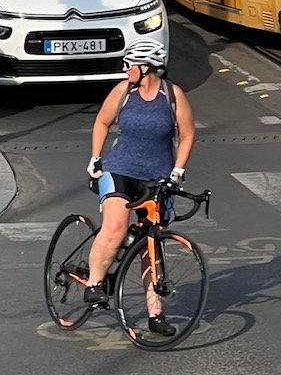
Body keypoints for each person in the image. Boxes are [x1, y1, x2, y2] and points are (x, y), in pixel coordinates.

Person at [83, 38, 195, 337]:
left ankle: (155, 313)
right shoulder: (123, 92)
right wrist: (95, 158)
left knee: (151, 247)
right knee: (116, 226)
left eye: (129, 64)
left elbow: (186, 135)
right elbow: (101, 122)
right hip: (120, 169)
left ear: (145, 67)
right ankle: (94, 283)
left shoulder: (173, 95)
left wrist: (178, 171)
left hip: (157, 178)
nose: (124, 69)